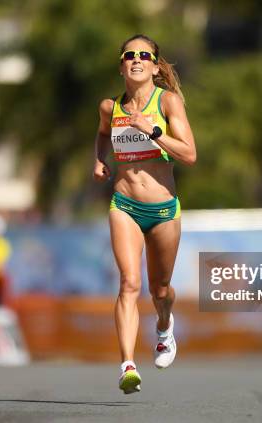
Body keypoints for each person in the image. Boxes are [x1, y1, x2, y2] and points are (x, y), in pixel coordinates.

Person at [92, 34, 196, 394]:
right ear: (121, 65)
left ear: (154, 65)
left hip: (164, 209)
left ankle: (165, 327)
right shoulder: (110, 107)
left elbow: (189, 154)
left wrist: (150, 130)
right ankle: (127, 366)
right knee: (129, 283)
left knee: (161, 289)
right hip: (125, 206)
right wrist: (99, 159)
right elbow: (104, 134)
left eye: (143, 55)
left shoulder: (167, 102)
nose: (136, 59)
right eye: (129, 55)